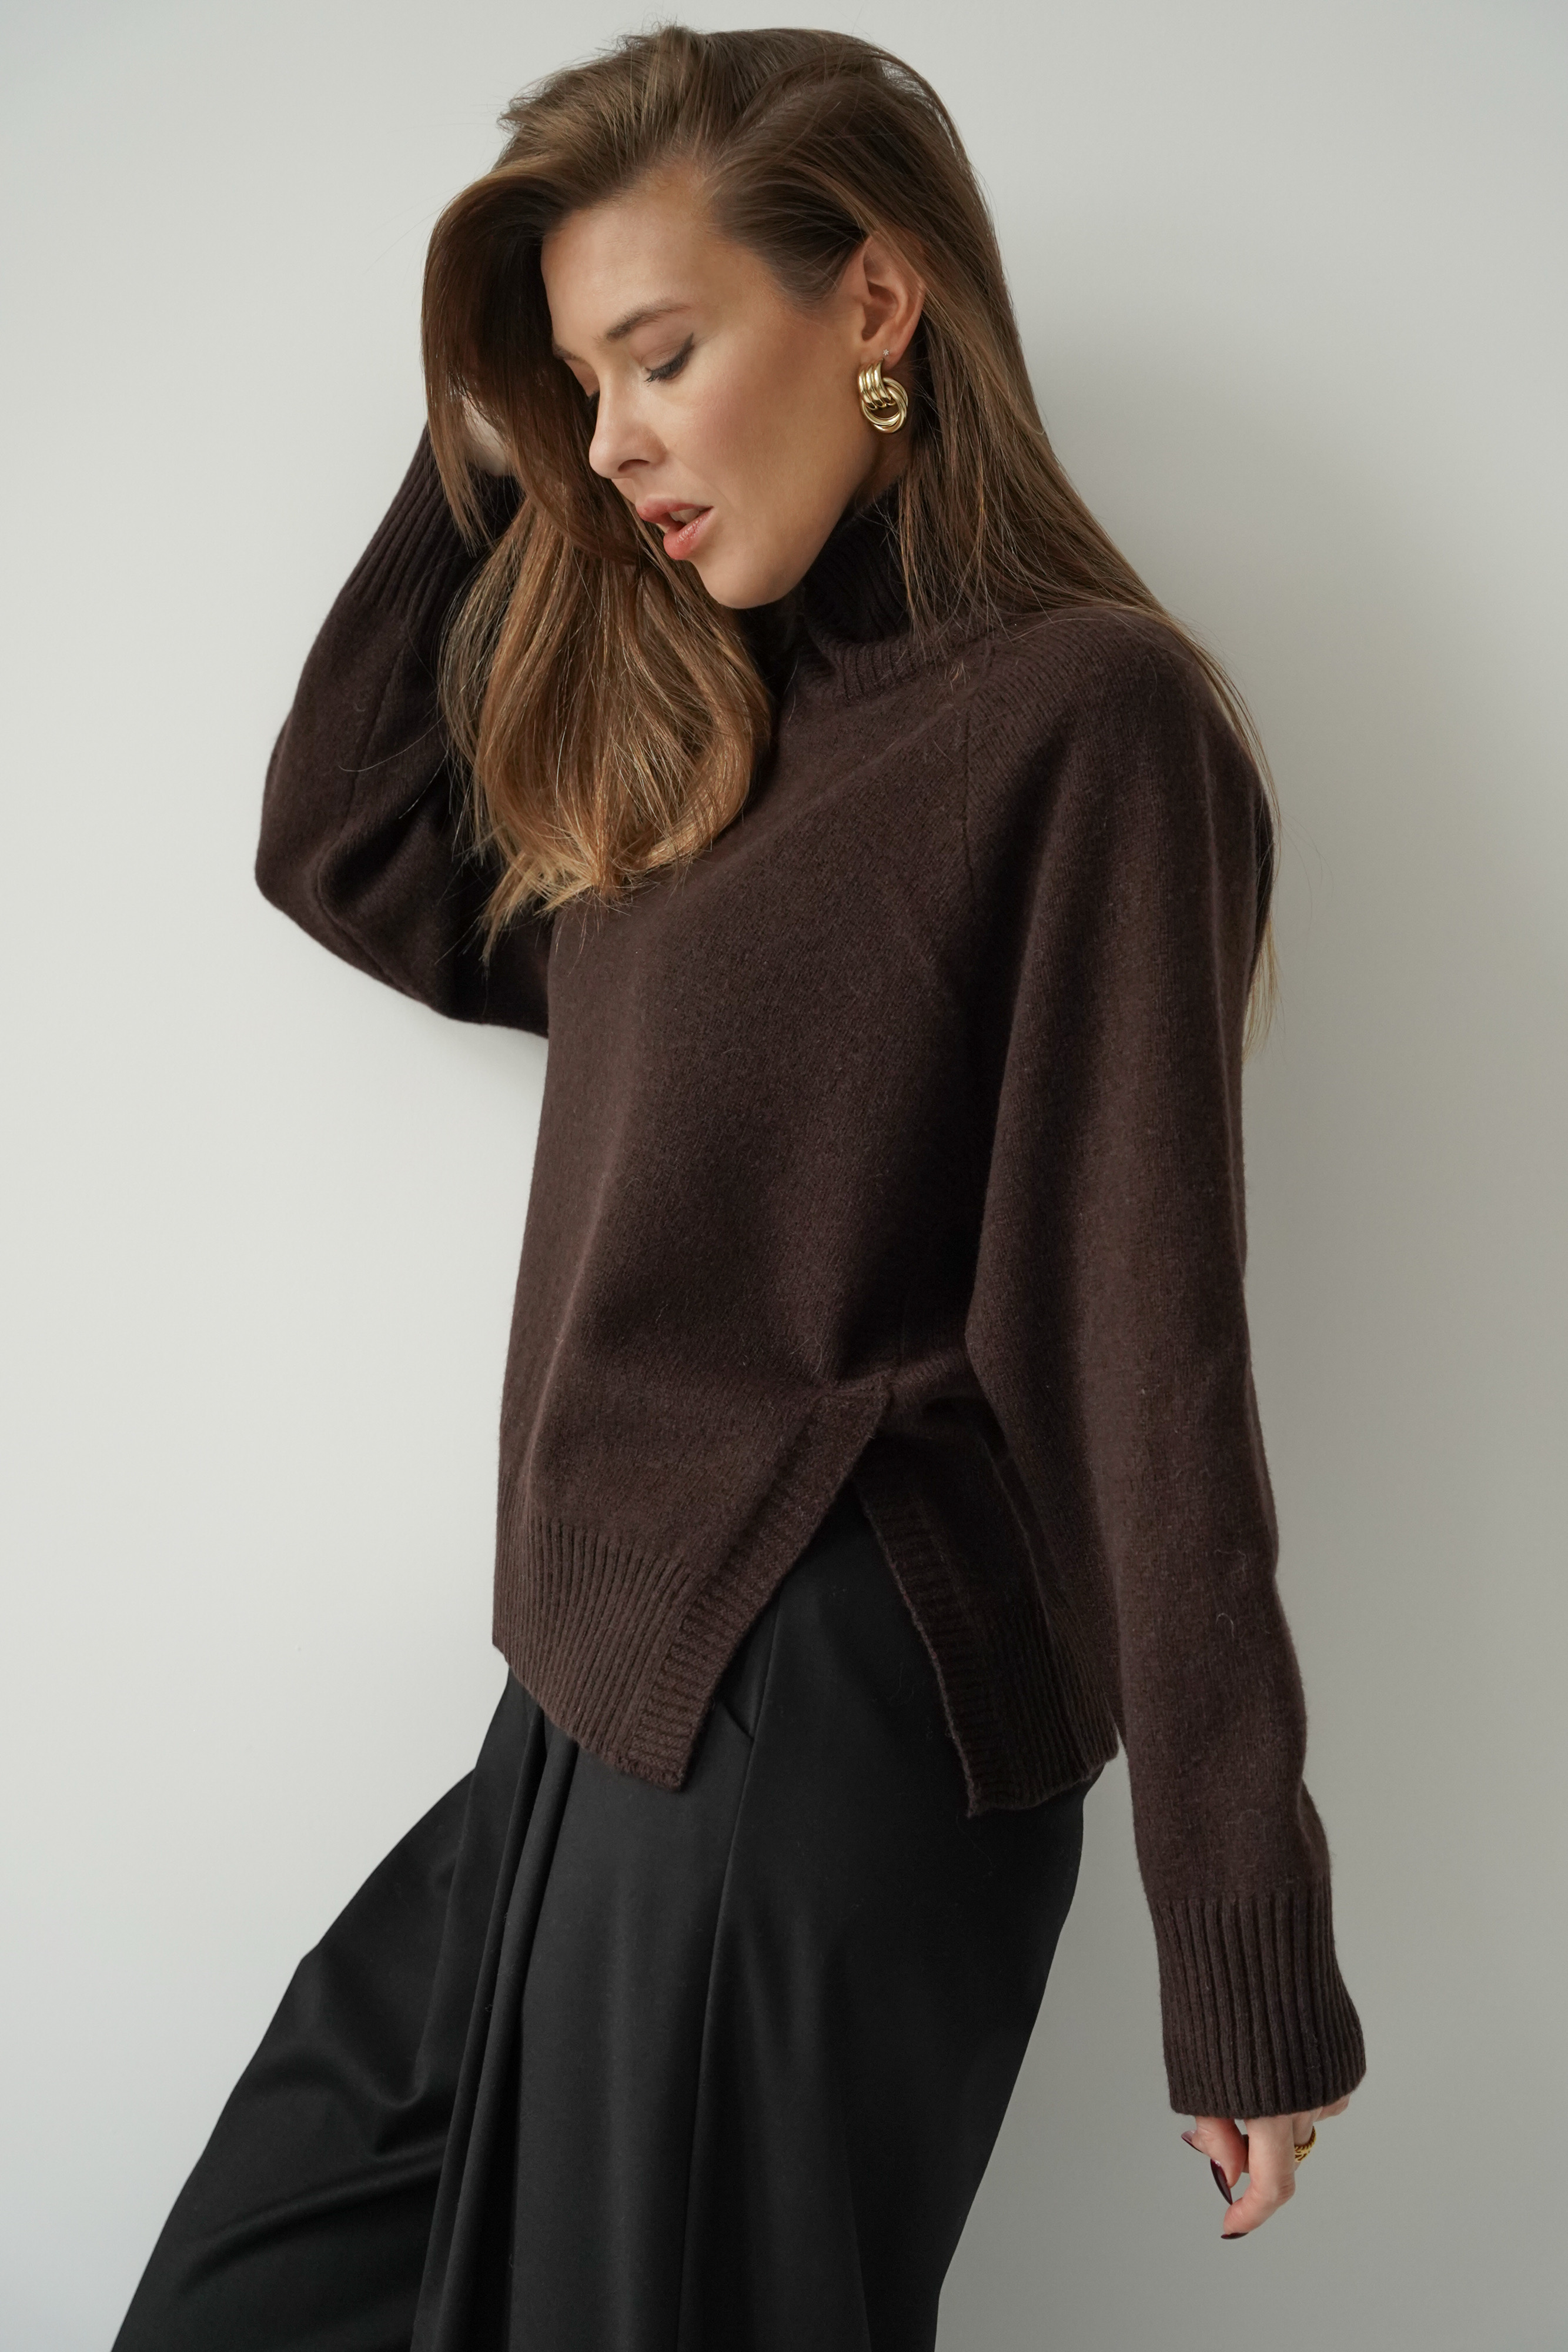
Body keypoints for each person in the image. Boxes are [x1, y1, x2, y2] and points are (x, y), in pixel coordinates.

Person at [113, 25, 1365, 2351]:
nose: (612, 440)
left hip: (820, 1702)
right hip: (586, 1707)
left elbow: (1145, 1358)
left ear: (872, 302)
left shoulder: (1083, 719)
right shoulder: (693, 750)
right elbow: (349, 844)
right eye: (581, 381)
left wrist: (1240, 1947)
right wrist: (494, 428)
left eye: (659, 355)